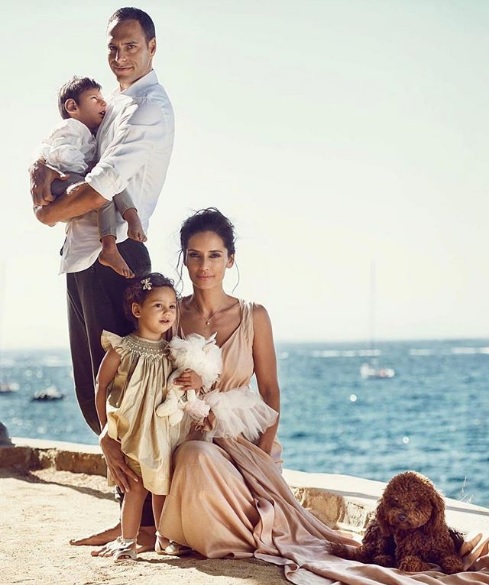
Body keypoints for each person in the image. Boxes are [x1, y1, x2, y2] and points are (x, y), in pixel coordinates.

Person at [94, 208, 489, 585]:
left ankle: (225, 532)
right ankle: (178, 532)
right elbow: (138, 375)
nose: (204, 265)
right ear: (184, 258)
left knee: (198, 458)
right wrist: (108, 435)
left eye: (214, 255)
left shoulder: (254, 315)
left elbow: (270, 390)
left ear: (230, 259)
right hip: (184, 433)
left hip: (244, 440)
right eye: (194, 255)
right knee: (192, 453)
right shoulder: (168, 313)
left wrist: (264, 455)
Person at [30, 6, 174, 548]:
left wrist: (47, 212)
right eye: (112, 47)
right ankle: (130, 511)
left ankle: (141, 523)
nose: (119, 56)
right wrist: (41, 173)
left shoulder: (150, 107)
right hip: (82, 257)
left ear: (152, 47)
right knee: (92, 386)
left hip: (117, 259)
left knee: (123, 390)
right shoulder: (112, 103)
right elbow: (72, 160)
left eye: (130, 46)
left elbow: (106, 181)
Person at [94, 272, 192, 561]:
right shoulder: (122, 348)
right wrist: (105, 428)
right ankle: (127, 542)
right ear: (137, 310)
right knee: (134, 488)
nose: (167, 312)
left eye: (172, 306)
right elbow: (101, 386)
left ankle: (164, 537)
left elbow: (182, 386)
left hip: (163, 433)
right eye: (158, 305)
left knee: (162, 486)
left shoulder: (173, 352)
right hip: (131, 432)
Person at [38, 75, 146, 279]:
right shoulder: (70, 128)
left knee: (108, 185)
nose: (103, 103)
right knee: (102, 186)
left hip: (74, 182)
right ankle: (117, 236)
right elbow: (61, 153)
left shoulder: (89, 133)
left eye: (102, 98)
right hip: (62, 183)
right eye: (94, 99)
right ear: (72, 106)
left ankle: (123, 227)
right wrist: (87, 168)